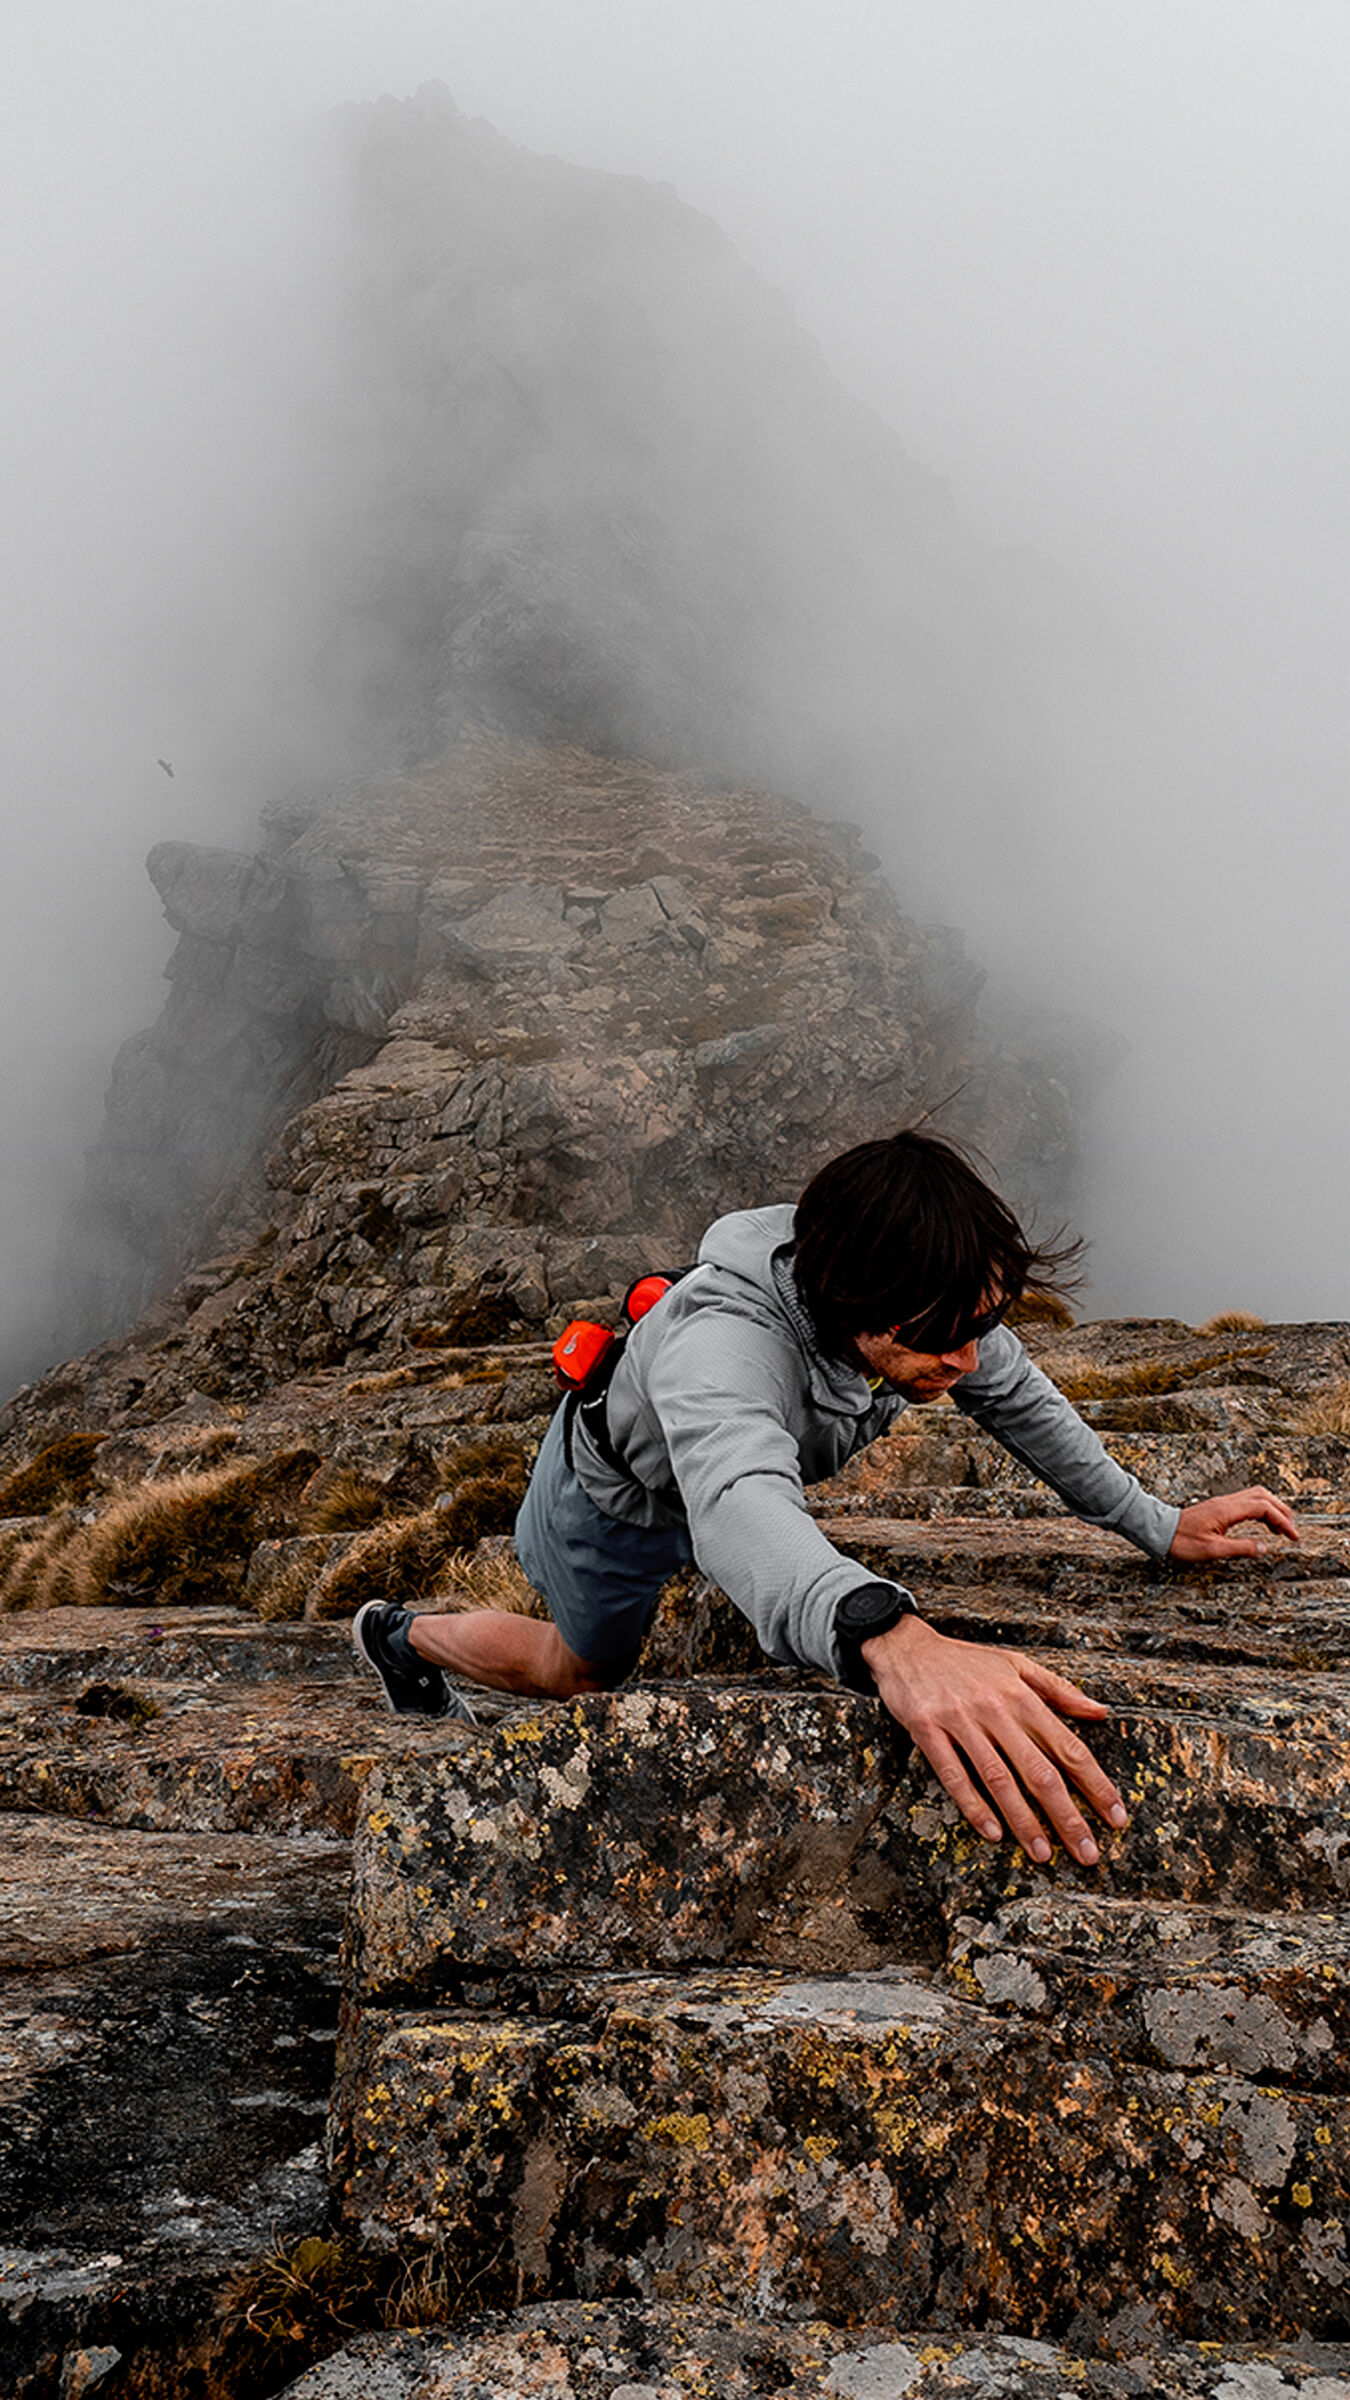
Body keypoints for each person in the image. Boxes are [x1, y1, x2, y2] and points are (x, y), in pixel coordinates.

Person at [353, 1130, 1296, 1864]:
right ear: (849, 1299)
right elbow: (734, 1499)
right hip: (617, 1502)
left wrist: (1156, 1522)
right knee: (583, 1674)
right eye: (944, 1338)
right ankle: (401, 1637)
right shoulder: (725, 1346)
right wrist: (893, 1637)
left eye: (984, 1324)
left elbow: (1020, 1400)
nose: (968, 1360)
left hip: (723, 1471)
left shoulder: (923, 1297)